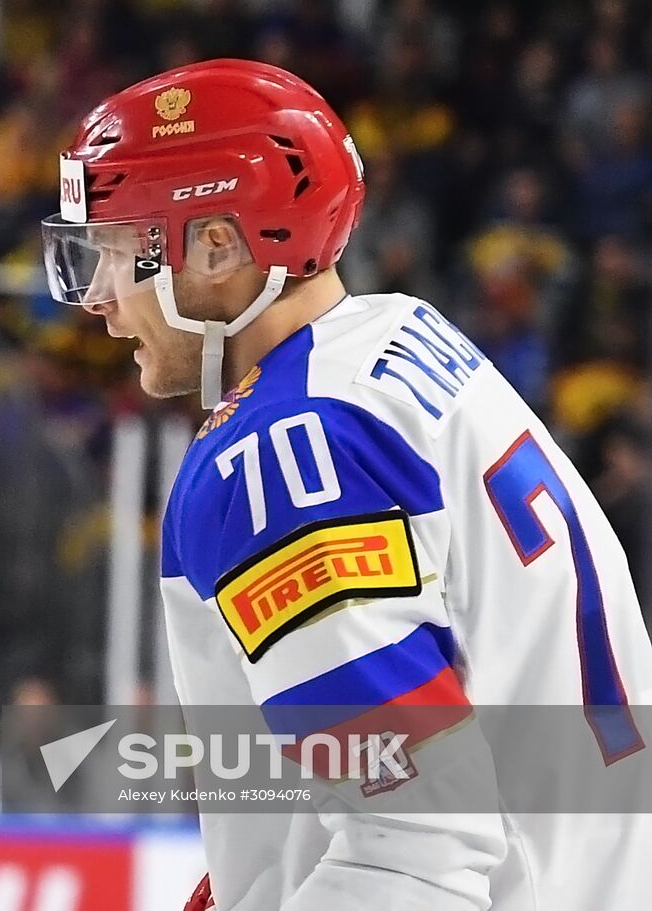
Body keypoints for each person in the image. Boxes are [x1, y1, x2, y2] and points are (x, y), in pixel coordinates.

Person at [42, 58, 652, 910]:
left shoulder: (281, 456)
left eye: (114, 253)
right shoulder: (403, 339)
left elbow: (416, 849)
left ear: (219, 244)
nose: (96, 298)